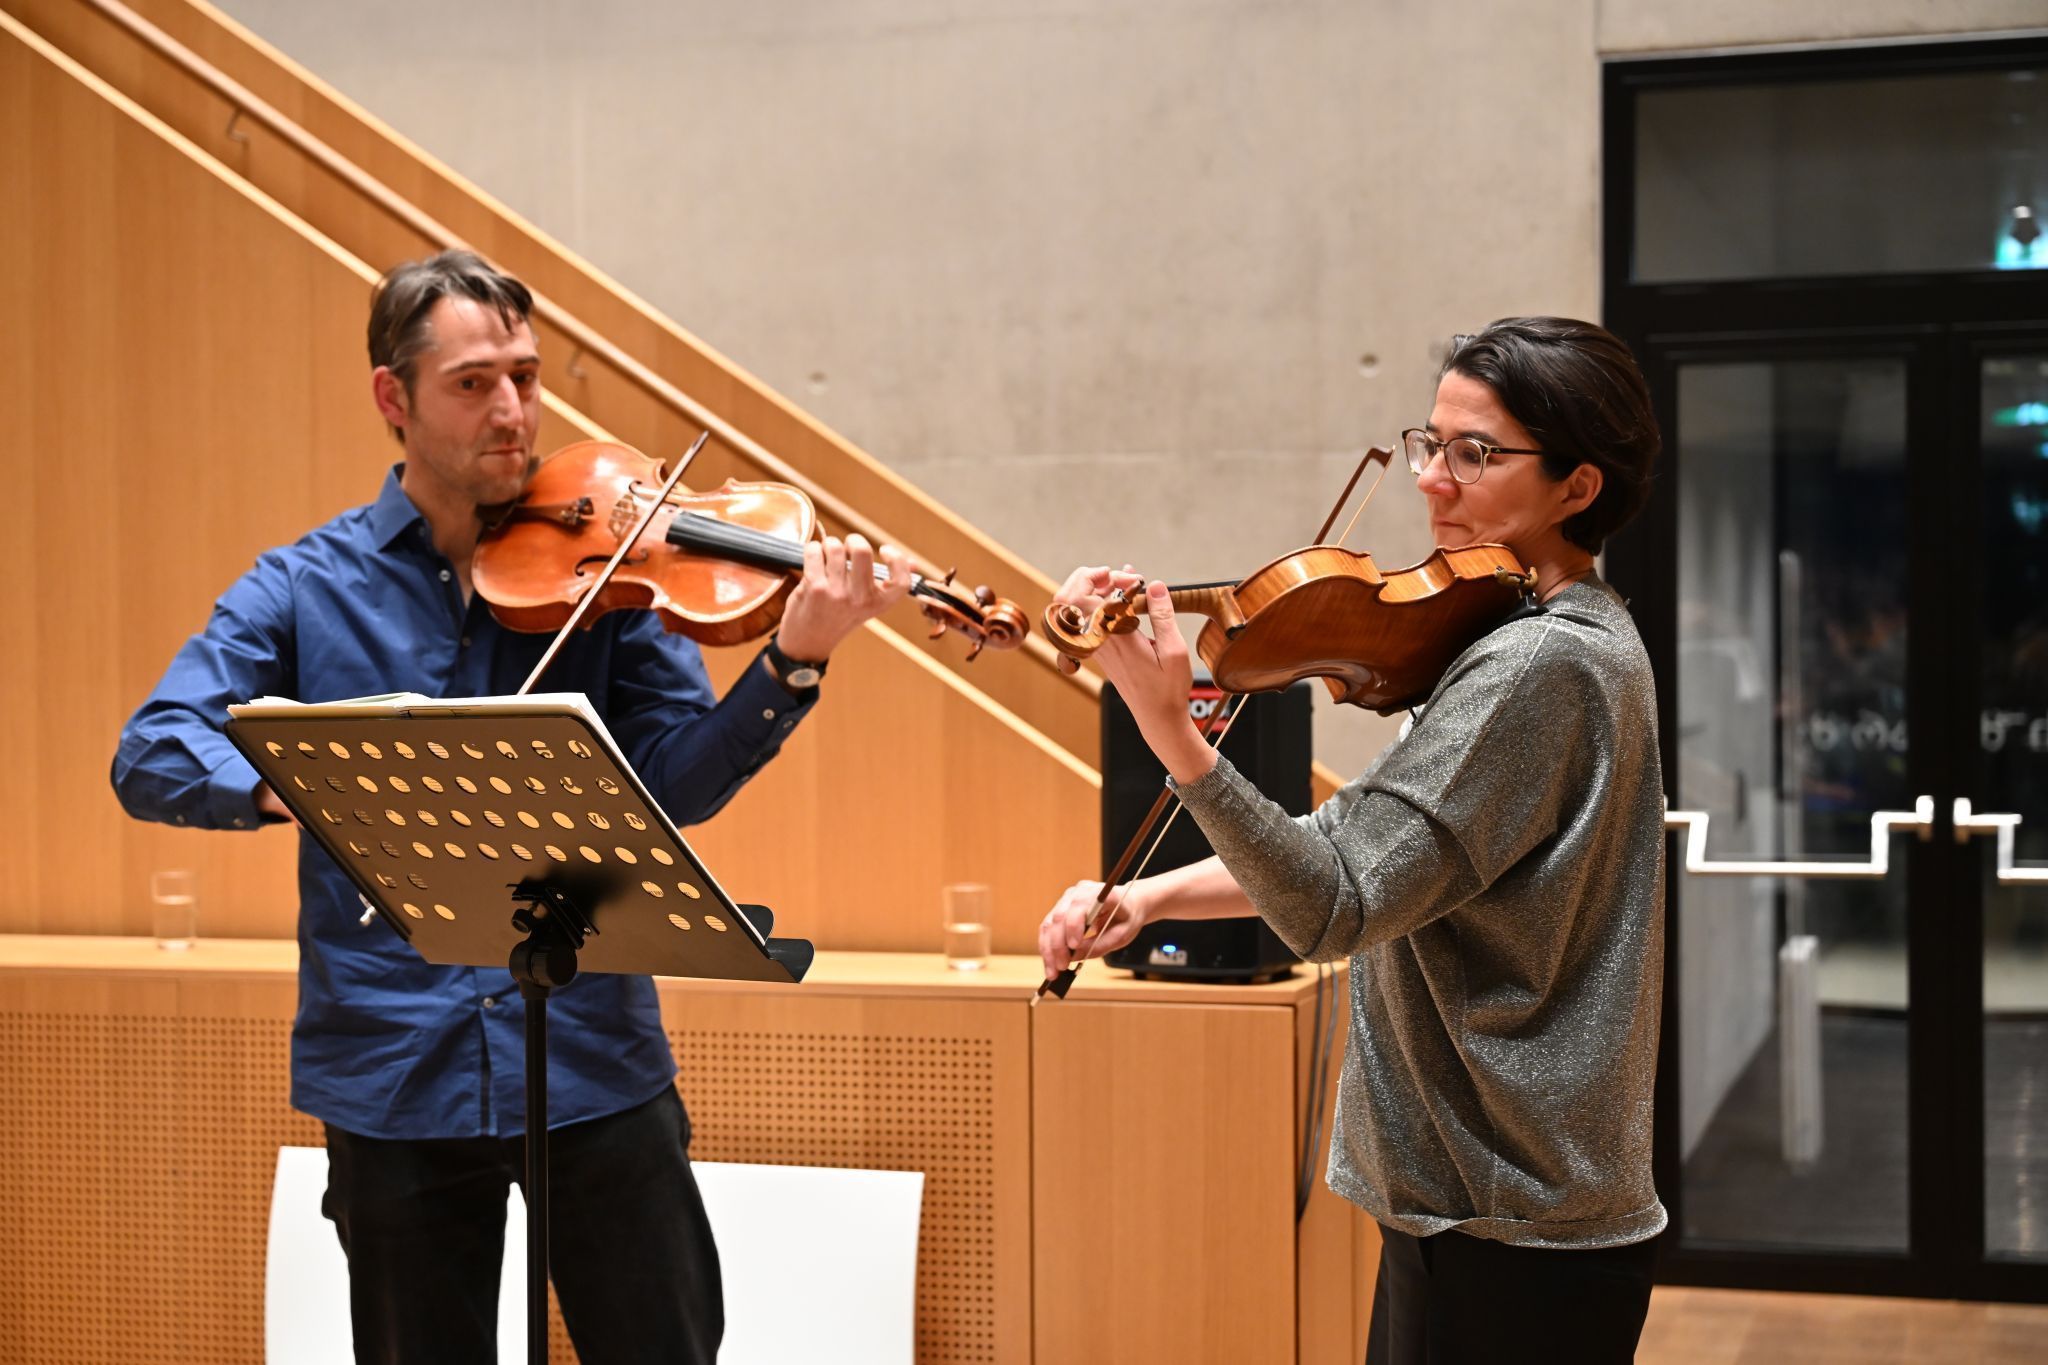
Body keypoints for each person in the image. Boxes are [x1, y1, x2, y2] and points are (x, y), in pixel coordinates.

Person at [112, 249, 911, 1365]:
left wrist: (792, 662)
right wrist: (309, 786)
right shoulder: (303, 586)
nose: (513, 411)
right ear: (394, 398)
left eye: (526, 378)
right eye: (474, 383)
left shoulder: (610, 574)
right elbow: (151, 750)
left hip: (592, 1058)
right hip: (392, 1066)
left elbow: (672, 786)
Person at [1038, 316, 1667, 1364]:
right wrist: (1147, 900)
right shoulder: (1552, 643)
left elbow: (1330, 904)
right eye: (1431, 445)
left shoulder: (1536, 669)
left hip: (1501, 1219)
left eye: (1475, 454)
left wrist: (1172, 734)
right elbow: (1349, 845)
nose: (1432, 482)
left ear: (1577, 487)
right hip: (1490, 1207)